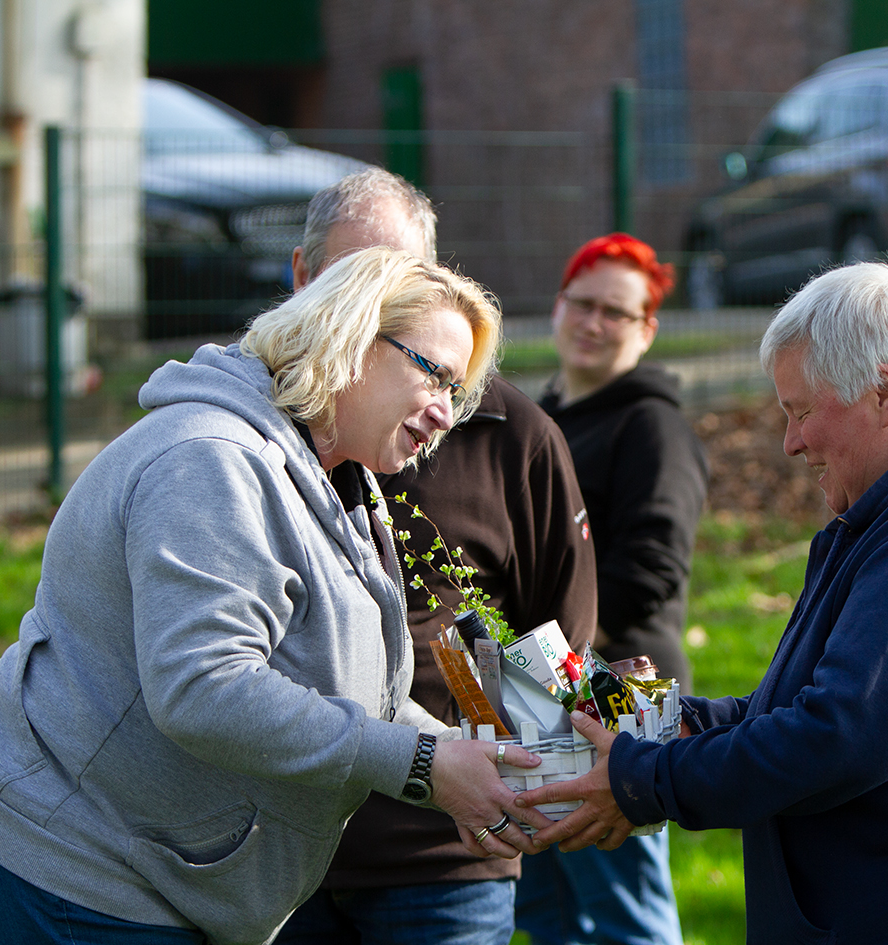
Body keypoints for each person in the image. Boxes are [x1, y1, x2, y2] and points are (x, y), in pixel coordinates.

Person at [0, 245, 554, 945]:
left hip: (153, 870)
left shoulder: (336, 470)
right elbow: (203, 686)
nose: (444, 414)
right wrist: (424, 766)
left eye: (457, 393)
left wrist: (464, 761)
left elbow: (350, 680)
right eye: (432, 373)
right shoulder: (210, 459)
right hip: (66, 860)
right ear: (348, 335)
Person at [520, 261, 888, 944]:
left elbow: (844, 732)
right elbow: (806, 710)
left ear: (882, 393)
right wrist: (671, 720)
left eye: (800, 411)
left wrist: (647, 777)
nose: (790, 441)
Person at [275, 169, 598, 945]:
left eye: (402, 290)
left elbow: (556, 646)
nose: (366, 316)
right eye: (351, 283)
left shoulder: (509, 434)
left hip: (442, 854)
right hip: (271, 850)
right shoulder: (243, 433)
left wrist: (564, 782)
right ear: (301, 279)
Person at [516, 233, 707, 945]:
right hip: (531, 688)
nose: (593, 323)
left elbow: (650, 569)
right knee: (546, 913)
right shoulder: (540, 420)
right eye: (582, 303)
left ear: (646, 329)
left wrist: (545, 653)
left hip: (615, 695)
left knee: (625, 916)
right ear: (558, 306)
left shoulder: (653, 427)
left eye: (616, 313)